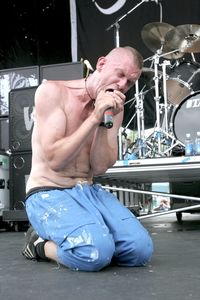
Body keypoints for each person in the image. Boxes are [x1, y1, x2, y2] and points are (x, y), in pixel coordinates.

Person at [22, 46, 153, 272]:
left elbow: (100, 166)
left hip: (88, 191)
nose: (123, 85)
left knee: (139, 250)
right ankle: (38, 245)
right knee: (94, 253)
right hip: (48, 191)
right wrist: (94, 117)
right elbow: (55, 160)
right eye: (120, 75)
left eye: (130, 83)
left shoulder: (114, 108)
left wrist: (104, 120)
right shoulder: (53, 92)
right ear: (101, 64)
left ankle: (92, 234)